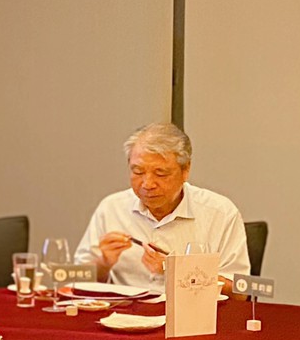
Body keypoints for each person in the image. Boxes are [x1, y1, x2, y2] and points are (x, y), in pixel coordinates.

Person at [74, 122, 249, 286]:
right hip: (125, 308)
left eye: (161, 174)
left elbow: (239, 291)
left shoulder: (220, 213)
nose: (147, 184)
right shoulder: (112, 208)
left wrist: (174, 271)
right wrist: (103, 263)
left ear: (185, 170)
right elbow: (76, 281)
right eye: (138, 172)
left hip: (190, 308)